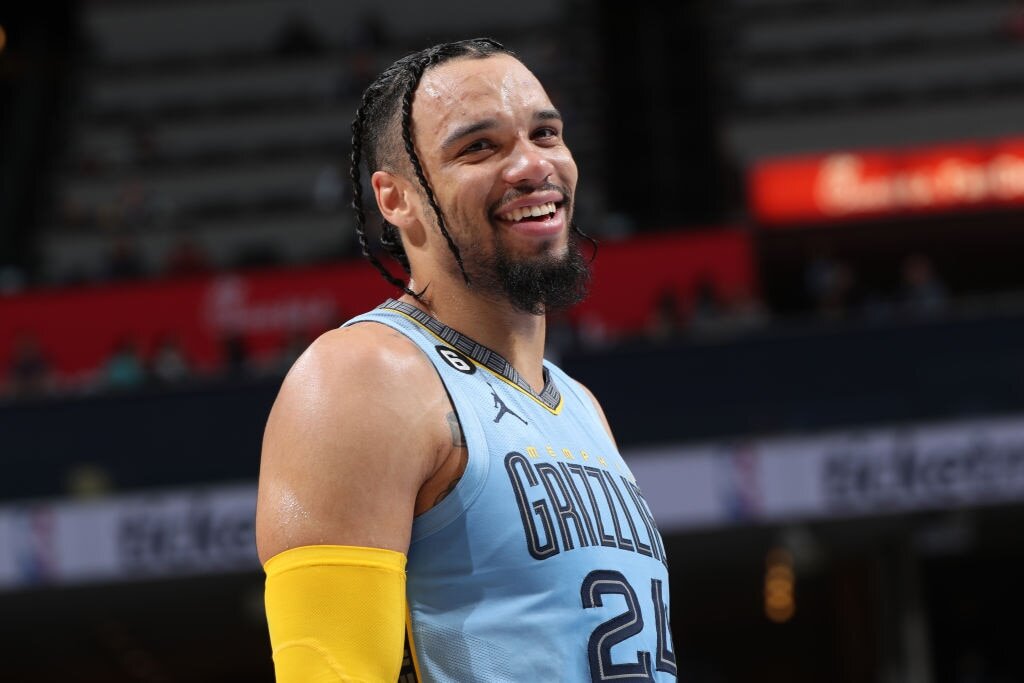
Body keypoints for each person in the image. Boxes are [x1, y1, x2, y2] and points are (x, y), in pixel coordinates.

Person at [256, 38, 676, 682]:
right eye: (479, 147)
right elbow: (325, 669)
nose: (532, 165)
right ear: (395, 199)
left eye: (546, 133)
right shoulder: (364, 375)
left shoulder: (579, 406)